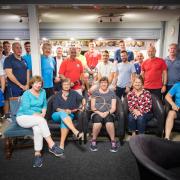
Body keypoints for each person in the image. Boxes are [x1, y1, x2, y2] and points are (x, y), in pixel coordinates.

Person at [16, 76, 63, 168]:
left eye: (40, 83)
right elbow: (25, 110)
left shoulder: (43, 92)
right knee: (41, 120)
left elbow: (44, 105)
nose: (38, 85)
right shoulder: (26, 93)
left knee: (37, 129)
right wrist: (38, 115)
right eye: (36, 83)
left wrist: (44, 111)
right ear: (32, 84)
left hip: (36, 118)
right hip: (23, 117)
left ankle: (37, 154)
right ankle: (52, 145)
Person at [52, 78, 85, 152]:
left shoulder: (74, 93)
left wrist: (83, 105)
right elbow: (56, 108)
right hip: (57, 115)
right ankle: (75, 131)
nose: (66, 86)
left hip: (69, 115)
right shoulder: (57, 94)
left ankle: (61, 145)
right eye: (64, 84)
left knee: (64, 122)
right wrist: (64, 111)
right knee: (63, 114)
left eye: (68, 84)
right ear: (62, 85)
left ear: (70, 85)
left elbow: (83, 98)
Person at [90, 77, 118, 153]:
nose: (103, 84)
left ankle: (113, 141)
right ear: (99, 84)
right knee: (98, 123)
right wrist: (99, 113)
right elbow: (92, 107)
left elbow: (113, 108)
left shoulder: (112, 93)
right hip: (96, 112)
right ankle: (93, 141)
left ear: (108, 84)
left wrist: (107, 113)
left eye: (105, 82)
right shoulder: (95, 93)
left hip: (109, 112)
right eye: (102, 82)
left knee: (109, 122)